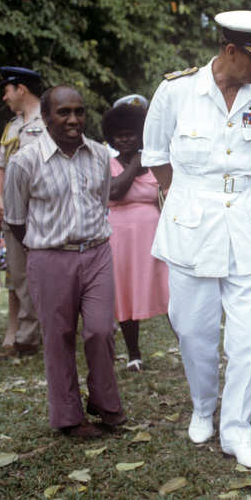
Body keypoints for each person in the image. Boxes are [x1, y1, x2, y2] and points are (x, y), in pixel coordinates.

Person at [141, 9, 251, 469]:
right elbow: (157, 159)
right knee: (193, 331)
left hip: (243, 221)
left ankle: (237, 431)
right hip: (191, 219)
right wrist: (185, 197)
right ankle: (203, 406)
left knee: (245, 337)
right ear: (229, 51)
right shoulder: (176, 91)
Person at [4, 85, 125, 438]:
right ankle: (69, 417)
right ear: (45, 117)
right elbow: (15, 217)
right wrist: (46, 247)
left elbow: (101, 201)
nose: (74, 120)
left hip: (98, 252)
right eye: (64, 112)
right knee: (58, 337)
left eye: (79, 111)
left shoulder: (101, 154)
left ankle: (104, 403)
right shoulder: (24, 161)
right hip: (49, 257)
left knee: (101, 330)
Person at [103, 103, 169, 372]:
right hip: (120, 239)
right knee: (126, 292)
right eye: (119, 135)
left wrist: (144, 161)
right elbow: (115, 191)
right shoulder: (107, 163)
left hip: (154, 237)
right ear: (111, 138)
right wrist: (134, 164)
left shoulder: (156, 162)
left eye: (131, 133)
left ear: (141, 134)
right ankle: (134, 354)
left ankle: (188, 346)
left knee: (170, 291)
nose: (126, 139)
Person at [0, 66, 44, 360]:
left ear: (21, 89)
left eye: (7, 90)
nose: (4, 97)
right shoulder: (12, 127)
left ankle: (43, 333)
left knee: (46, 271)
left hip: (42, 210)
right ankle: (26, 338)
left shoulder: (51, 119)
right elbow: (1, 167)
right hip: (13, 213)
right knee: (18, 274)